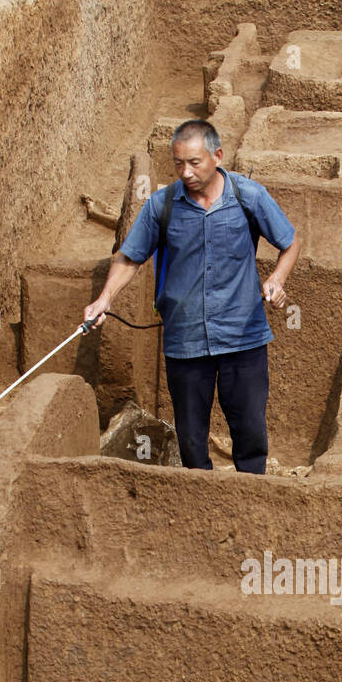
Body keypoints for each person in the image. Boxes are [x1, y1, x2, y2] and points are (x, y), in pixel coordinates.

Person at [83, 120, 301, 474]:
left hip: (242, 336)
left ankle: (252, 502)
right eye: (178, 164)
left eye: (194, 163)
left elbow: (289, 243)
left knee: (249, 432)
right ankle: (199, 506)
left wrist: (277, 279)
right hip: (185, 341)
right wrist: (104, 298)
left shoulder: (249, 197)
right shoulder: (162, 206)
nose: (185, 172)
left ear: (217, 156)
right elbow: (130, 256)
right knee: (191, 440)